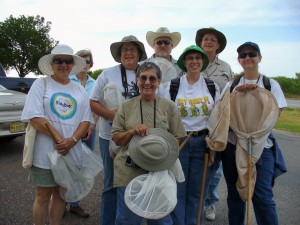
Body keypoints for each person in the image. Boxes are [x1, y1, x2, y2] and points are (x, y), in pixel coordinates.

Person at [21, 44, 93, 225]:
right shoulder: (41, 84)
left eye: (68, 61)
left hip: (70, 153)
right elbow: (34, 117)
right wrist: (60, 140)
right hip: (44, 154)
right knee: (42, 196)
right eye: (59, 60)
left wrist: (73, 140)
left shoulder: (79, 90)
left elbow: (86, 121)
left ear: (72, 64)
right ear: (52, 63)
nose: (63, 64)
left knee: (61, 196)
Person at [111, 62, 186, 225]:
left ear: (159, 81)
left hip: (159, 171)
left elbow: (177, 138)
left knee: (160, 218)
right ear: (137, 80)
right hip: (128, 170)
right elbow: (116, 138)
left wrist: (162, 154)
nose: (147, 82)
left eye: (152, 79)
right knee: (127, 219)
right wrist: (131, 132)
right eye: (143, 78)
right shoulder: (125, 106)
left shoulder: (169, 106)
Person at [221, 41, 287, 225]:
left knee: (262, 196)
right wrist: (236, 95)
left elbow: (275, 114)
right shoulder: (232, 84)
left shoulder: (270, 84)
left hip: (262, 147)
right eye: (243, 55)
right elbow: (222, 114)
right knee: (235, 196)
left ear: (259, 57)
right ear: (239, 60)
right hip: (234, 146)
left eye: (252, 54)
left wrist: (256, 95)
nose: (247, 58)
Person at [89, 35, 147, 225]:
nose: (128, 53)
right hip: (110, 136)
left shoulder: (147, 72)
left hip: (140, 137)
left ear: (139, 54)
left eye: (132, 49)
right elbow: (93, 101)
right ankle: (108, 221)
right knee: (111, 183)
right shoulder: (108, 74)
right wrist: (114, 117)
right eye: (125, 50)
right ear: (119, 54)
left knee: (137, 182)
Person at [163, 45, 220, 225]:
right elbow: (164, 115)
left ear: (203, 62)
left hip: (203, 143)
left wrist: (213, 143)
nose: (194, 61)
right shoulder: (172, 86)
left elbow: (219, 117)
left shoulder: (211, 87)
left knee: (198, 190)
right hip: (178, 142)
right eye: (190, 58)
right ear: (184, 62)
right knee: (178, 189)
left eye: (198, 58)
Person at [195, 27, 233, 221]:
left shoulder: (226, 67)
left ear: (218, 45)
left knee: (214, 168)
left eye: (212, 40)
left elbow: (230, 95)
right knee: (195, 167)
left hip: (217, 124)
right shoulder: (192, 62)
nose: (208, 42)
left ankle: (209, 203)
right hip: (195, 123)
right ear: (200, 43)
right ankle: (195, 202)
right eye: (205, 39)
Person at [68, 48, 99, 217]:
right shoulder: (68, 81)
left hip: (88, 130)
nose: (85, 64)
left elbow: (96, 106)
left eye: (87, 61)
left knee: (81, 166)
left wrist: (92, 125)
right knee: (66, 165)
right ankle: (62, 200)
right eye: (81, 61)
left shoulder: (94, 83)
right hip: (70, 129)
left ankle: (75, 203)